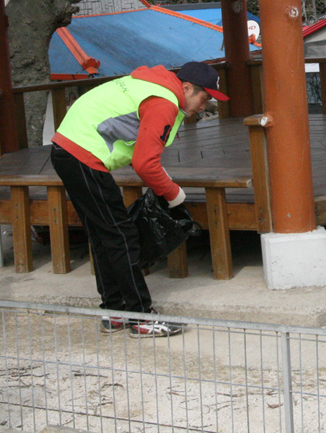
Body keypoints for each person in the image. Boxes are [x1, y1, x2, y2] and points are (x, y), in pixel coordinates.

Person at [50, 61, 229, 336]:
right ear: (187, 87)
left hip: (69, 150)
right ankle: (140, 316)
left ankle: (115, 311)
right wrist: (173, 194)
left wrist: (162, 180)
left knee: (104, 235)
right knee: (122, 236)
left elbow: (138, 148)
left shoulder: (153, 87)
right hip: (83, 155)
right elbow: (145, 164)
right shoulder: (164, 101)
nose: (204, 106)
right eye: (204, 98)